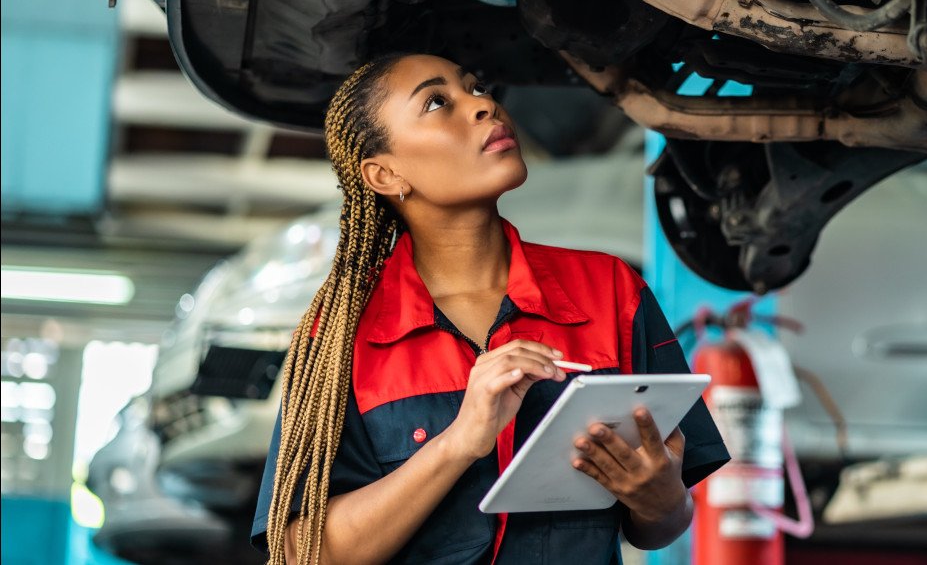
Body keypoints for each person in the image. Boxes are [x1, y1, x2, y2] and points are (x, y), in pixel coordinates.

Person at [250, 54, 729, 564]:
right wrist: (458, 442)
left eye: (477, 87)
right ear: (386, 173)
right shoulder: (341, 335)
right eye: (437, 102)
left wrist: (661, 501)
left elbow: (662, 527)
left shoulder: (610, 289)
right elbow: (301, 552)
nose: (483, 105)